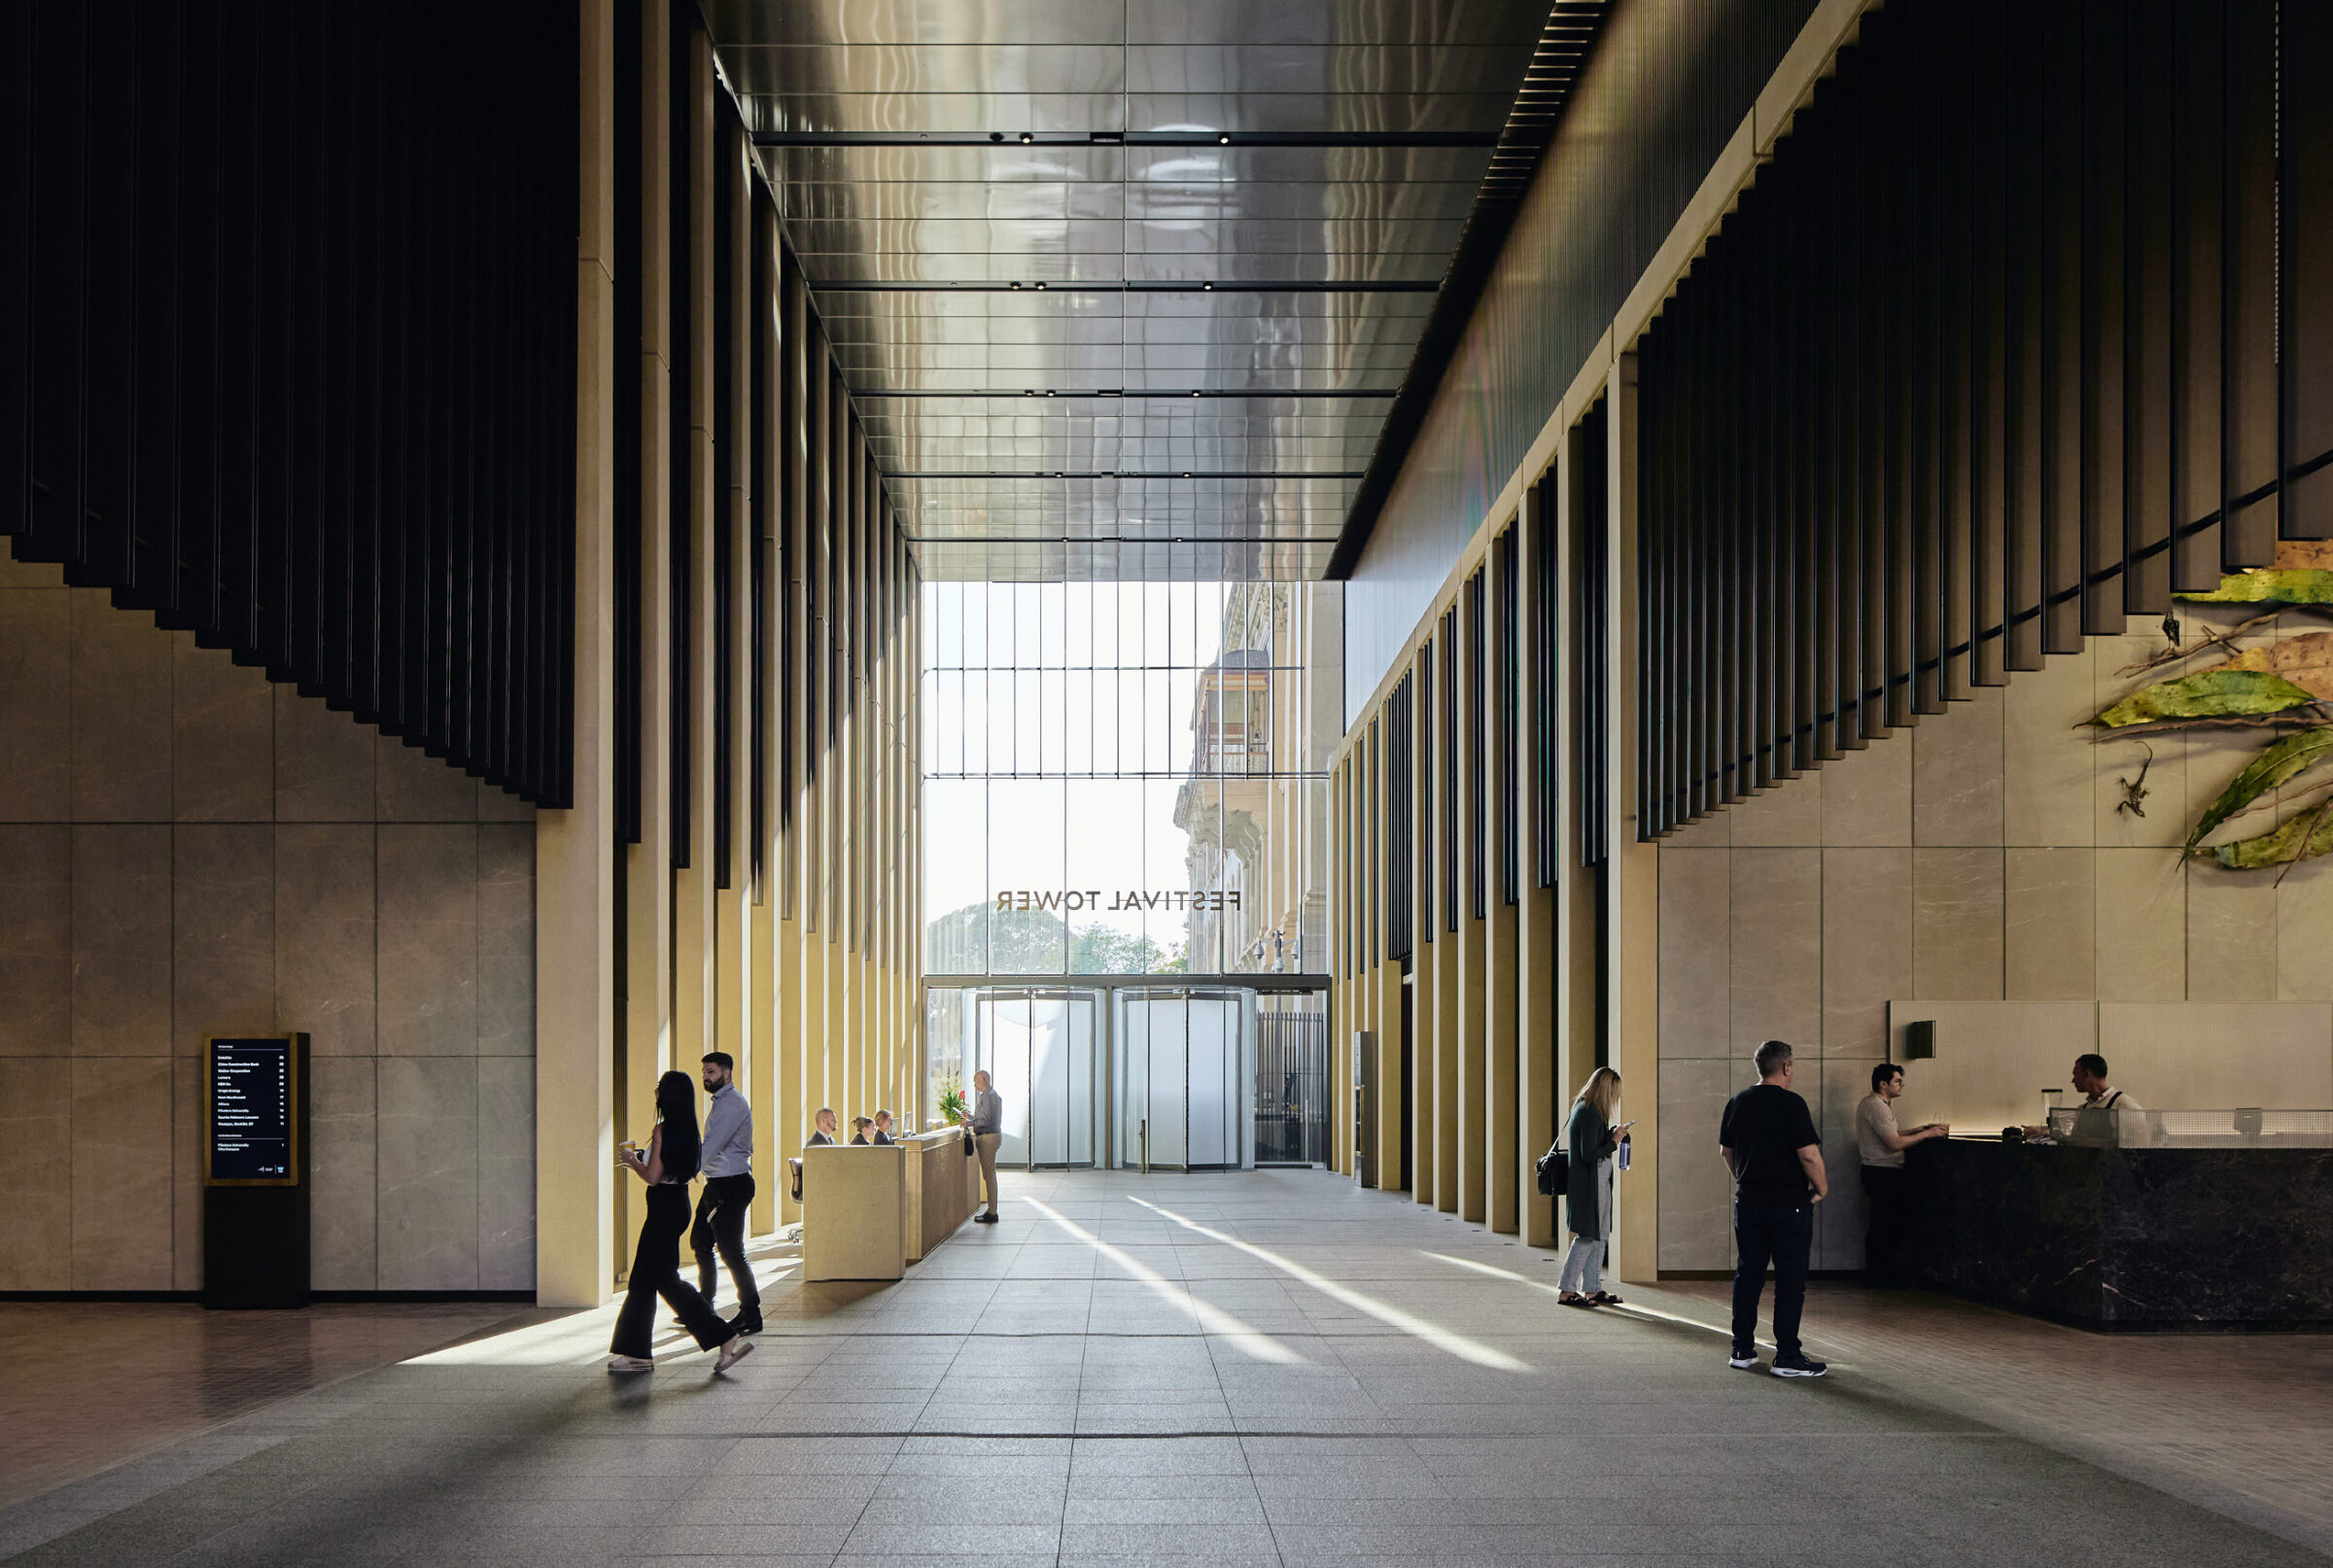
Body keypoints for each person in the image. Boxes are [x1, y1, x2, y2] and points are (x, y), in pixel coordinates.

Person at [609, 1071, 753, 1375]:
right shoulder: (688, 1130)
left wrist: (632, 1160)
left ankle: (724, 1336)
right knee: (641, 1280)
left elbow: (652, 1176)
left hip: (662, 1207)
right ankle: (637, 1353)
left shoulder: (662, 1130)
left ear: (668, 1095)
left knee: (666, 1279)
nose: (656, 1093)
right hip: (678, 1203)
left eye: (659, 1089)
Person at [1719, 1039, 1828, 1378]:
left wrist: (1747, 1180)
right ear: (1786, 1067)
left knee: (1748, 1275)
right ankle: (1787, 1356)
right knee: (1790, 1279)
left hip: (1748, 1202)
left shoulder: (1738, 1102)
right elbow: (1808, 1155)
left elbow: (1726, 1151)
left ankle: (1742, 1348)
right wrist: (1821, 1188)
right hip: (1789, 1205)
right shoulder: (1792, 1104)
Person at [689, 1051, 760, 1336]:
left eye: (711, 1072)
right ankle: (704, 1305)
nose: (705, 1077)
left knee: (731, 1252)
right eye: (704, 1072)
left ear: (726, 1073)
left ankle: (751, 1313)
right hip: (717, 1184)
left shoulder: (731, 1104)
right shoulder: (721, 1102)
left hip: (730, 1185)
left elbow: (713, 1144)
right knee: (700, 1242)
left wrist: (684, 1172)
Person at [1857, 1063, 1946, 1285]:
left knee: (1883, 1222)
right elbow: (1894, 1143)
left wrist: (1917, 1129)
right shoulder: (1876, 1106)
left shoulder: (1877, 1105)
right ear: (1883, 1084)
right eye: (1897, 1081)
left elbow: (1892, 1133)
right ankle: (1881, 1275)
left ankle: (1879, 1273)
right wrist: (1927, 1134)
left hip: (1877, 1171)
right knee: (1885, 1224)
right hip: (1882, 1172)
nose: (1902, 1085)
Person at [1556, 1066, 1630, 1307]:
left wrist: (1608, 1136)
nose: (1615, 1098)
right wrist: (1613, 1142)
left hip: (1595, 1182)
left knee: (1600, 1234)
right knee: (1587, 1235)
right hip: (1590, 1184)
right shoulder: (1588, 1112)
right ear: (1606, 1089)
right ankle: (1567, 1290)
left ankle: (1592, 1289)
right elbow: (1588, 1154)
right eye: (1614, 1093)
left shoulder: (1590, 1110)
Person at [2026, 1054, 2145, 1145]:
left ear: (2087, 1074)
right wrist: (2043, 1133)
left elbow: (2138, 1145)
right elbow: (2072, 1143)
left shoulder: (2124, 1105)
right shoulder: (2082, 1109)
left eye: (2075, 1075)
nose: (2073, 1081)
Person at [965, 1069, 1003, 1223]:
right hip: (993, 1136)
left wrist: (968, 1123)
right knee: (989, 1174)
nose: (974, 1085)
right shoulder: (993, 1095)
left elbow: (985, 1121)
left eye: (976, 1081)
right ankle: (992, 1210)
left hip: (987, 1138)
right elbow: (985, 1118)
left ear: (984, 1080)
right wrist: (972, 1118)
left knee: (989, 1175)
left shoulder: (987, 1097)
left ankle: (992, 1212)